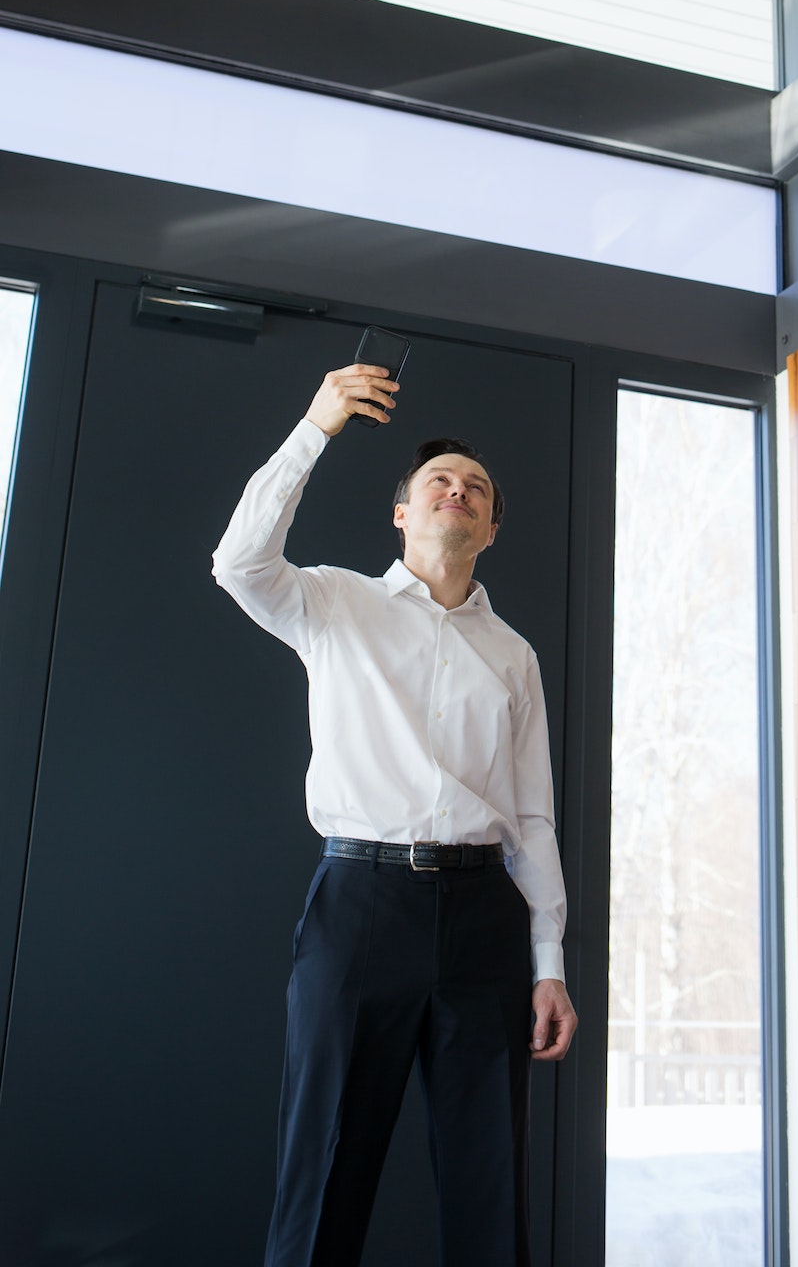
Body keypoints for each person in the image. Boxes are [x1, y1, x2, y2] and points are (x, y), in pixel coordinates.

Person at [212, 360, 577, 1267]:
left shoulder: (515, 656)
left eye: (477, 488)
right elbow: (237, 563)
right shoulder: (337, 603)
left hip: (486, 916)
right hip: (361, 905)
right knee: (326, 1161)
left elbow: (533, 819)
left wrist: (549, 963)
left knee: (490, 1174)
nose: (459, 490)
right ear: (403, 515)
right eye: (438, 482)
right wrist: (317, 425)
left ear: (490, 528)